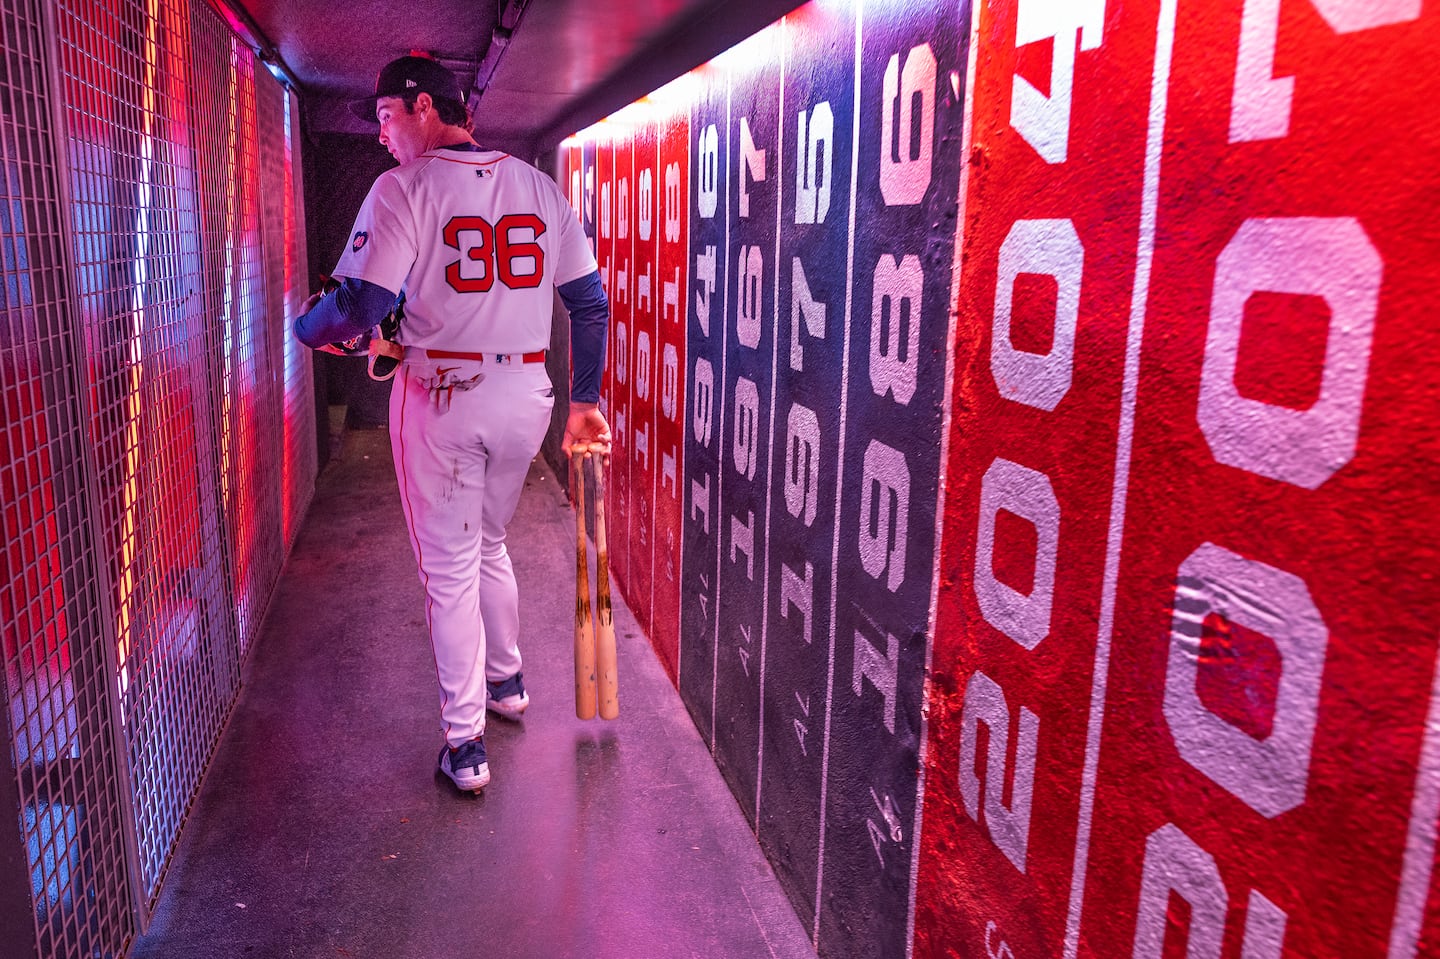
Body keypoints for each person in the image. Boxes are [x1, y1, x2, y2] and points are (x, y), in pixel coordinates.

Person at [293, 54, 611, 794]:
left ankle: (465, 744)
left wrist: (307, 328)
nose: (381, 136)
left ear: (425, 107)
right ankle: (507, 684)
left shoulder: (403, 186)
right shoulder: (538, 184)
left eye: (385, 116)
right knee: (488, 542)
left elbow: (360, 308)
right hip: (527, 394)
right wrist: (585, 401)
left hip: (444, 391)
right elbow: (589, 304)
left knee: (448, 570)